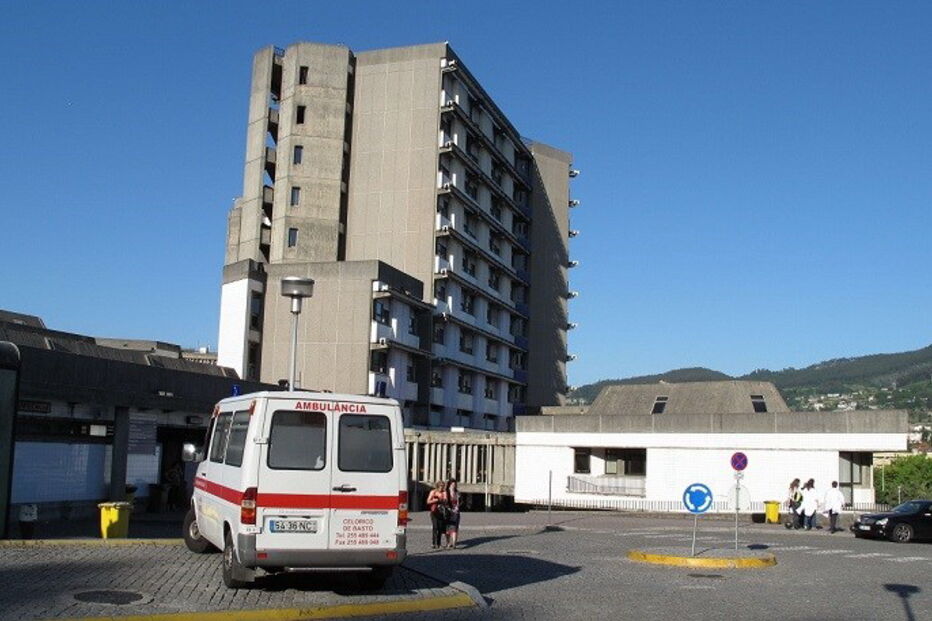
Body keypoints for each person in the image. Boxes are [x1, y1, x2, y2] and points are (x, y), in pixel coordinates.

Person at [426, 480, 448, 549]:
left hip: (441, 512)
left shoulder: (444, 493)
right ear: (438, 486)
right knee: (435, 527)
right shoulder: (433, 492)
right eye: (441, 486)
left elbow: (446, 501)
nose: (442, 488)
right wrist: (436, 500)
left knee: (440, 527)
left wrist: (444, 499)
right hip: (434, 511)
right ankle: (434, 543)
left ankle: (439, 543)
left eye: (443, 486)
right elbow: (428, 501)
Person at [444, 478, 461, 549]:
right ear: (449, 485)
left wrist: (457, 507)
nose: (454, 486)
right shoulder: (446, 492)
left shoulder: (457, 492)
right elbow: (444, 502)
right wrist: (449, 509)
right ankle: (448, 542)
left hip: (456, 512)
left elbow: (460, 501)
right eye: (452, 484)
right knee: (447, 528)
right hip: (447, 512)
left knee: (455, 527)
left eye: (455, 484)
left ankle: (454, 543)